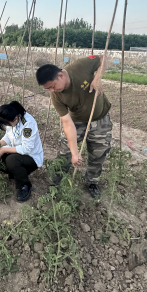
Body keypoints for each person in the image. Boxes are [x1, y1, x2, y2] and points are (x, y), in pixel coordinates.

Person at [36, 55, 112, 199]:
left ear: (60, 75)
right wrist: (75, 152)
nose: (52, 90)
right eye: (48, 89)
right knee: (65, 153)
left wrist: (97, 78)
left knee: (98, 153)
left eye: (52, 86)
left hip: (101, 119)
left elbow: (103, 58)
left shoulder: (80, 66)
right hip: (77, 122)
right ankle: (55, 183)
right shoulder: (56, 96)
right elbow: (67, 123)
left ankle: (92, 181)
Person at [0, 101, 43, 203]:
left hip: (31, 157)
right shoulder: (11, 118)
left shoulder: (28, 124)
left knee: (12, 160)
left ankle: (25, 185)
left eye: (6, 124)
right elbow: (8, 136)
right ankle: (14, 172)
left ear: (15, 118)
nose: (6, 125)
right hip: (14, 150)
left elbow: (26, 148)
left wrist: (4, 150)